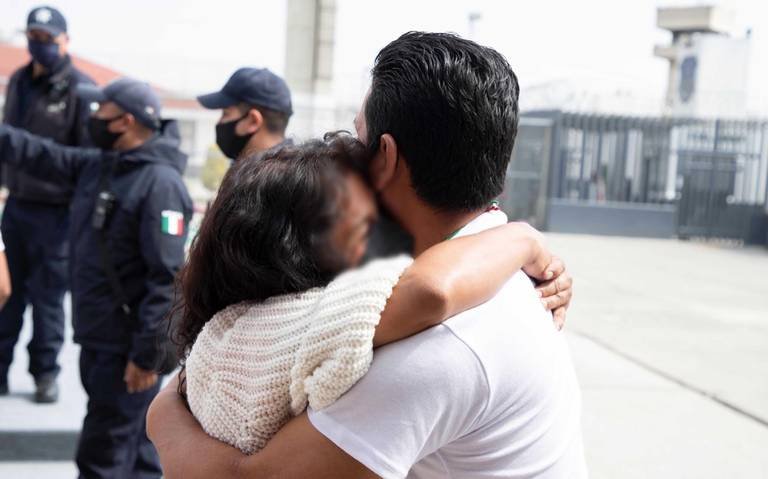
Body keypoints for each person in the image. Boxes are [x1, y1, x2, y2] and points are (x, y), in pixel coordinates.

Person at [148, 32, 586, 478]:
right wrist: (521, 237)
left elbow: (247, 477)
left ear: (385, 157)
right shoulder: (493, 268)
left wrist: (164, 413)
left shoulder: (429, 344)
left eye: (359, 139)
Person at [177, 133, 568, 455]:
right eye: (363, 226)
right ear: (302, 250)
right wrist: (521, 238)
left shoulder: (225, 333)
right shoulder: (312, 322)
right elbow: (428, 290)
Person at [0, 78, 193, 479]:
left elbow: (167, 278)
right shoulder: (102, 165)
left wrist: (146, 356)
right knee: (137, 452)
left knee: (101, 456)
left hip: (127, 349)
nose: (93, 117)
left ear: (124, 121)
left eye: (101, 110)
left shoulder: (159, 184)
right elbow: (41, 154)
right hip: (100, 339)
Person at [0, 5, 94, 403]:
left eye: (47, 38)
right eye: (33, 37)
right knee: (5, 294)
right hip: (16, 206)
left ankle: (45, 373)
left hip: (57, 214)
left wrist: (22, 147)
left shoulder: (81, 90)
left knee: (48, 300)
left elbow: (86, 161)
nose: (39, 45)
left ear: (65, 41)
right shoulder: (19, 81)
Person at [197, 67, 293, 161]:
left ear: (253, 121)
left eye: (226, 114)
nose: (220, 121)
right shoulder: (292, 166)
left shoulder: (261, 170)